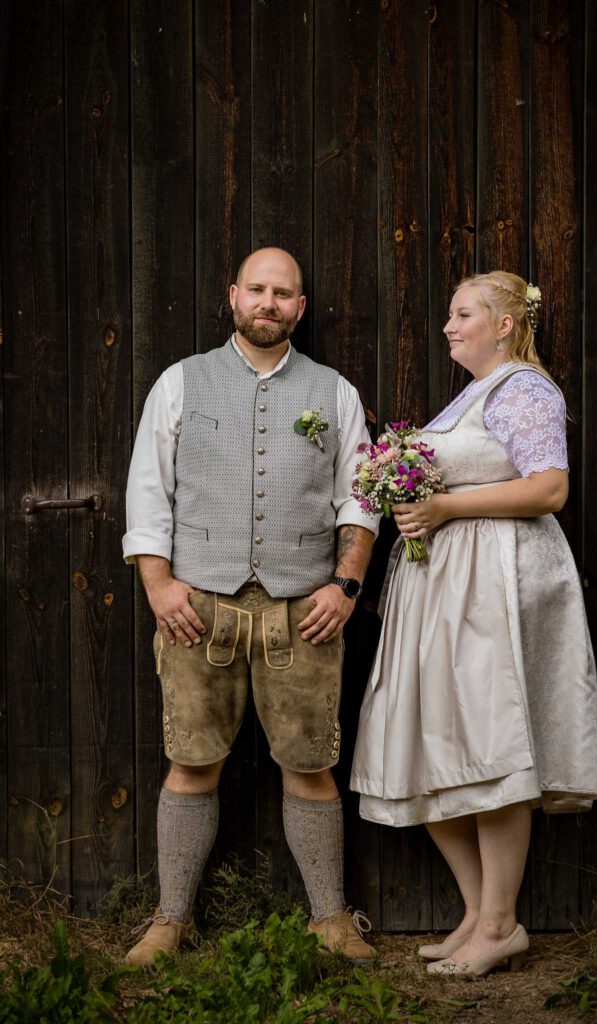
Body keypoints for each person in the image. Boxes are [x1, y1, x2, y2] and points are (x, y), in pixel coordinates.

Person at [123, 247, 378, 965]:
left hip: (306, 612)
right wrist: (159, 587)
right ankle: (170, 921)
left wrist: (345, 585)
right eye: (257, 289)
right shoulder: (180, 382)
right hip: (197, 608)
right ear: (233, 295)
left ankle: (330, 919)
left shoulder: (334, 392)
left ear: (300, 307)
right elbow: (148, 490)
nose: (269, 303)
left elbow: (361, 498)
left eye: (283, 293)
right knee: (190, 760)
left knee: (310, 763)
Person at [350, 271, 597, 977]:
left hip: (492, 581)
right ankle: (477, 913)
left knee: (490, 743)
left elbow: (549, 488)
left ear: (504, 324)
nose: (448, 327)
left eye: (462, 314)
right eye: (449, 315)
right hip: (443, 587)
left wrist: (444, 507)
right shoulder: (474, 393)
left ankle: (498, 924)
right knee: (435, 740)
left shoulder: (524, 388)